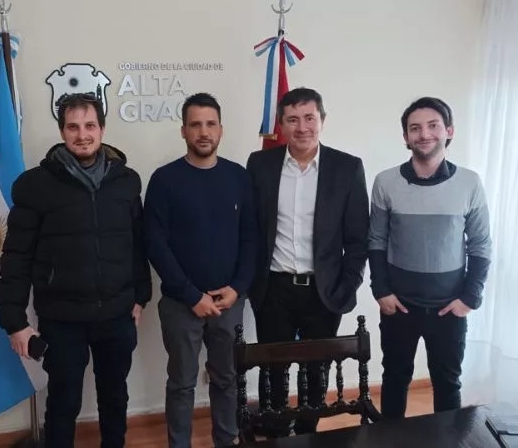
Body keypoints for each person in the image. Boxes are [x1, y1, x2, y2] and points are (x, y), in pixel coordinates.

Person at [0, 93, 152, 448]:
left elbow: (136, 244)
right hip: (62, 318)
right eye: (73, 127)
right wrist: (15, 322)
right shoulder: (34, 186)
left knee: (115, 397)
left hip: (116, 314)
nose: (82, 135)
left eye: (90, 126)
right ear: (62, 132)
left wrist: (140, 296)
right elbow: (15, 258)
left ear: (102, 129)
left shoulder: (127, 181)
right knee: (63, 403)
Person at [246, 87, 370, 436]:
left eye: (309, 118)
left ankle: (306, 434)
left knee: (317, 369)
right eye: (293, 120)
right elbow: (251, 228)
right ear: (282, 125)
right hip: (274, 287)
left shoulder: (347, 168)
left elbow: (358, 238)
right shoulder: (260, 164)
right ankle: (274, 434)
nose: (302, 127)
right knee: (273, 369)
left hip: (323, 289)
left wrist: (348, 283)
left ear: (322, 120)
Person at [143, 92, 256, 448]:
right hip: (181, 304)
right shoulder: (164, 180)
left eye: (210, 124)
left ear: (221, 129)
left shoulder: (239, 177)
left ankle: (226, 440)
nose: (203, 132)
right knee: (181, 383)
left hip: (229, 302)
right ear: (183, 131)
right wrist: (192, 295)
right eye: (195, 125)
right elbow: (155, 245)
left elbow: (251, 238)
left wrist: (237, 288)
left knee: (227, 379)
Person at [368, 96, 492, 419]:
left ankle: (447, 441)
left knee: (447, 384)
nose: (424, 134)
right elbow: (376, 240)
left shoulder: (469, 183)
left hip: (449, 309)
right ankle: (391, 440)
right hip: (399, 306)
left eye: (433, 126)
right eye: (415, 128)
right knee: (395, 380)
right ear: (405, 136)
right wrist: (381, 290)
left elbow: (480, 245)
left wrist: (470, 298)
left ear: (449, 131)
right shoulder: (385, 182)